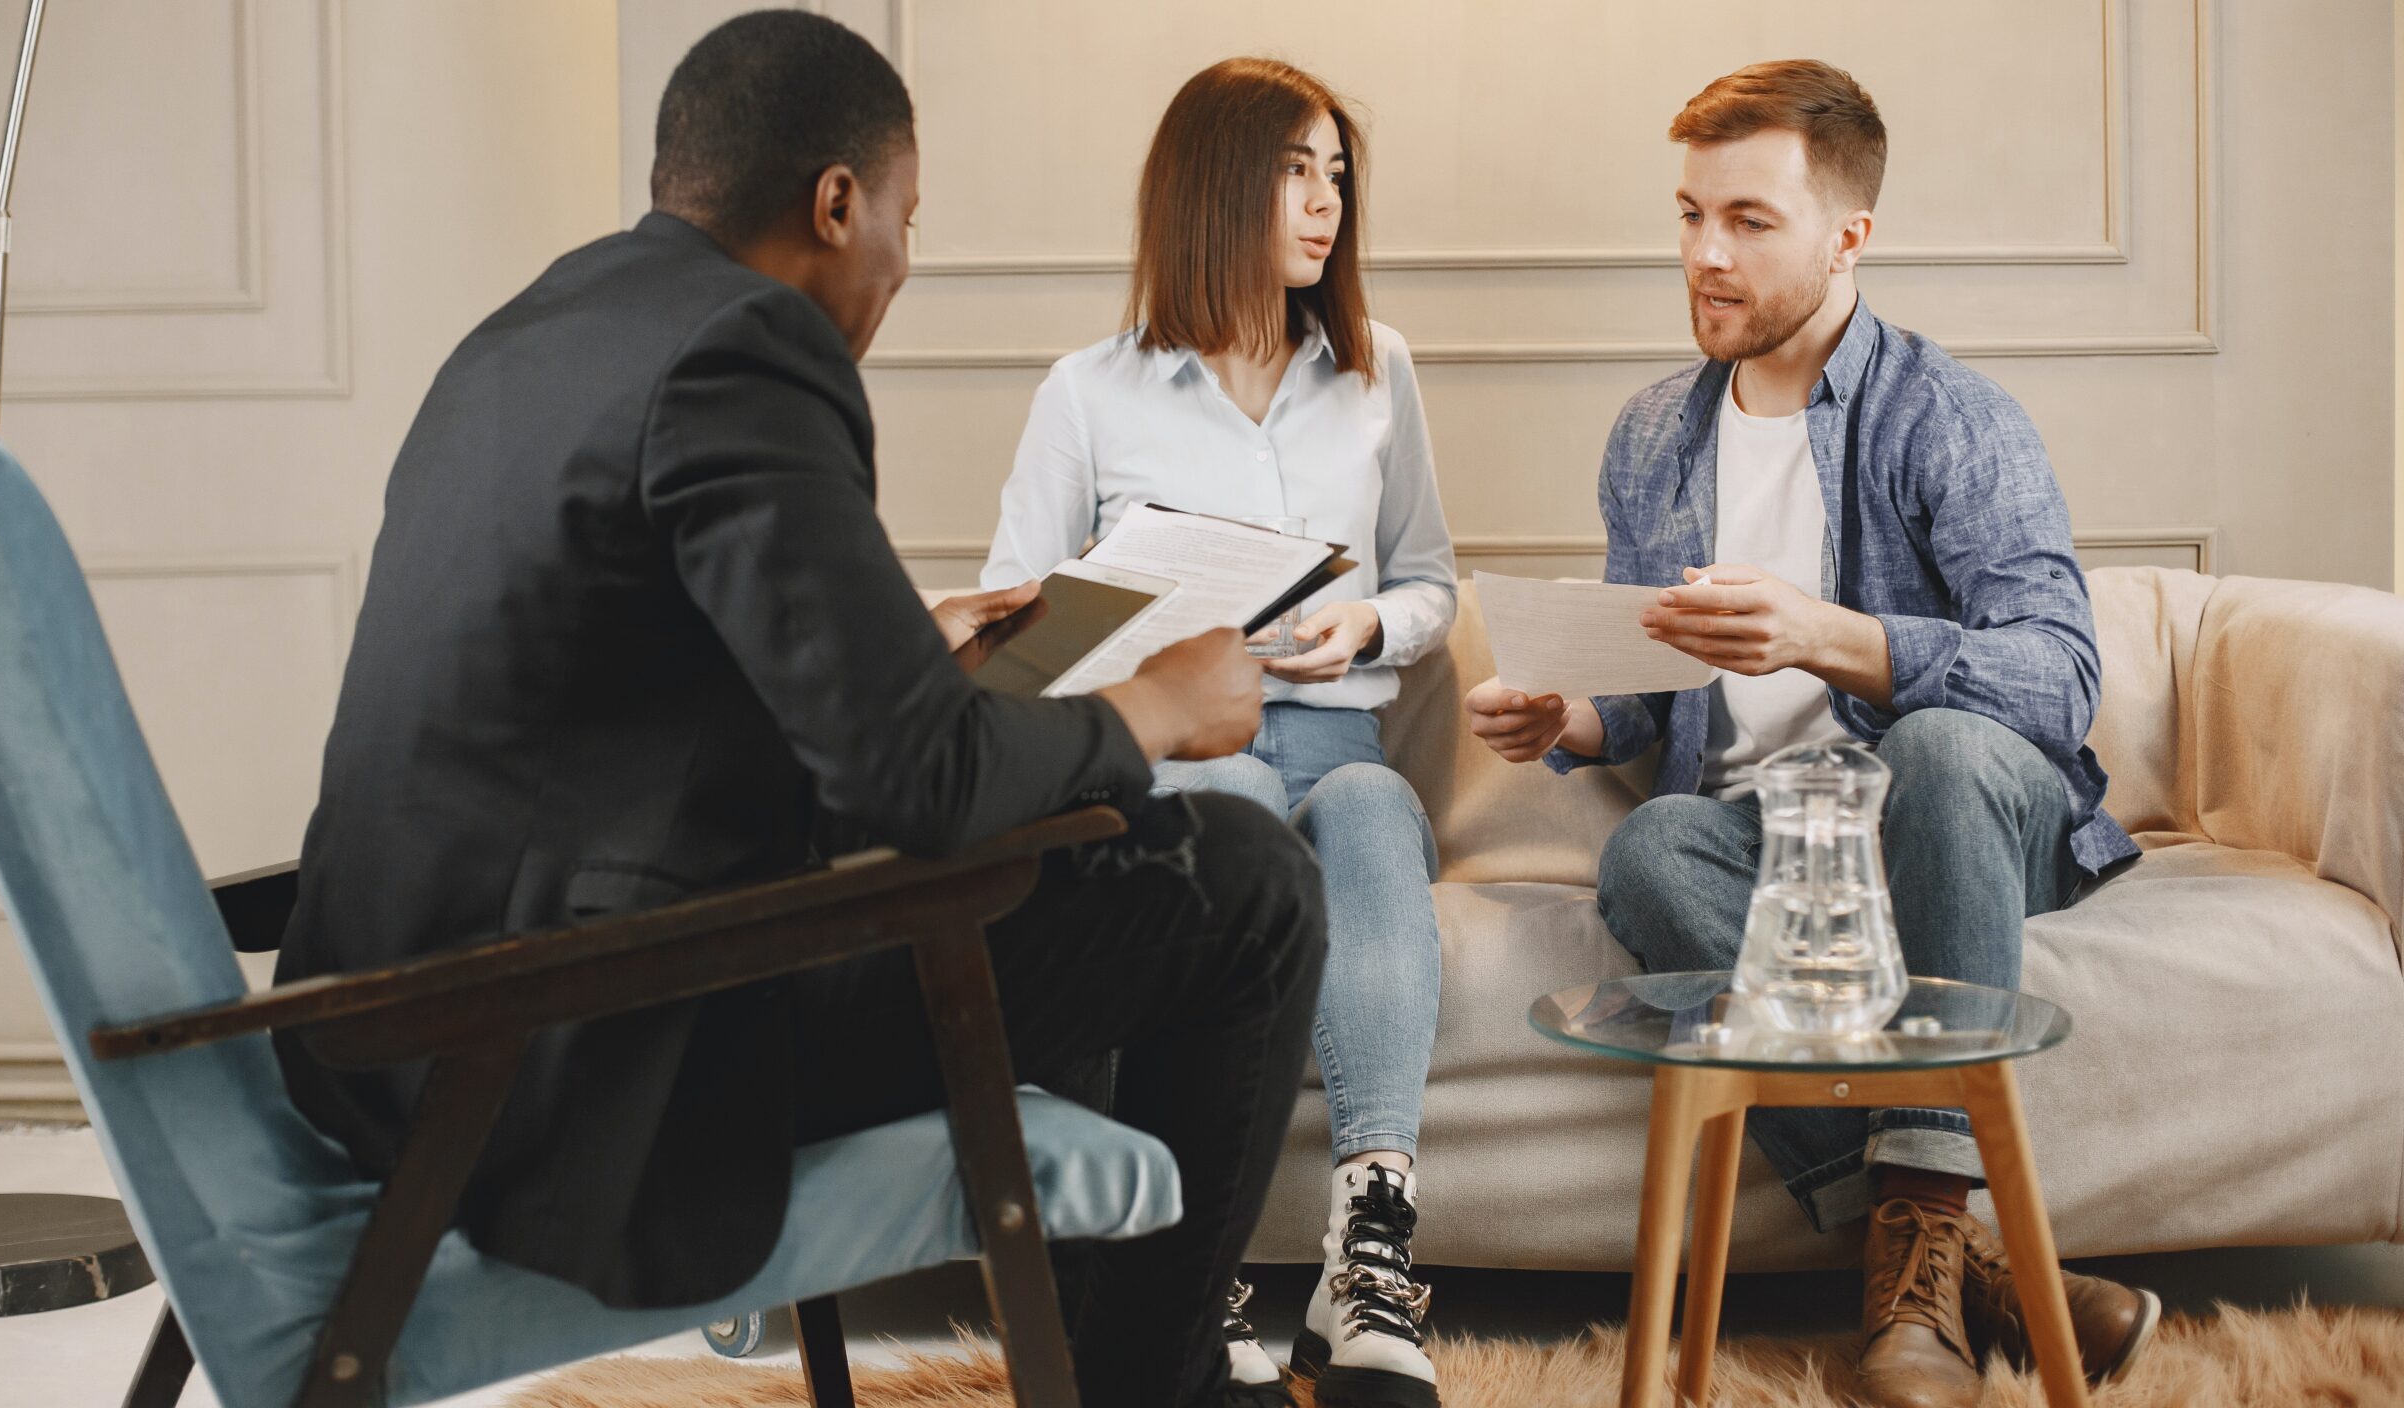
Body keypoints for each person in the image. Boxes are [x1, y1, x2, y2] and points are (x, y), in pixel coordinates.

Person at [273, 14, 1328, 1408]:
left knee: (1063, 831)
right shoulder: (748, 343)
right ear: (837, 200)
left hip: (392, 1035)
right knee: (1246, 876)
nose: (904, 257)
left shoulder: (531, 330)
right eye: (904, 216)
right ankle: (1154, 1386)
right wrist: (1154, 700)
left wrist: (910, 650)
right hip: (575, 1067)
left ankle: (1095, 1366)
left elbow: (623, 700)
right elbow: (920, 789)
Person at [1462, 60, 2160, 1408]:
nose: (1705, 256)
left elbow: (2057, 677)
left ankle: (1919, 1261)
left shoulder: (1952, 419)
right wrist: (1575, 713)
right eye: (1688, 216)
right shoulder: (1656, 432)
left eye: (1749, 222)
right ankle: (1946, 1260)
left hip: (1956, 820)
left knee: (1942, 753)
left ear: (1850, 236)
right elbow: (1663, 695)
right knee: (1655, 849)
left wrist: (1825, 634)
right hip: (1777, 843)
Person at [983, 57, 1456, 1408]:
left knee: (1367, 813)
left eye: (1338, 174)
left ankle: (1371, 1256)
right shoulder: (1087, 392)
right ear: (1213, 188)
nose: (1326, 204)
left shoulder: (1378, 373)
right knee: (1235, 823)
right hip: (1191, 751)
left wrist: (1369, 631)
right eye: (1296, 170)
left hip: (1338, 734)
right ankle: (1198, 1275)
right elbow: (1022, 639)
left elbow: (1432, 578)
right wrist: (1149, 645)